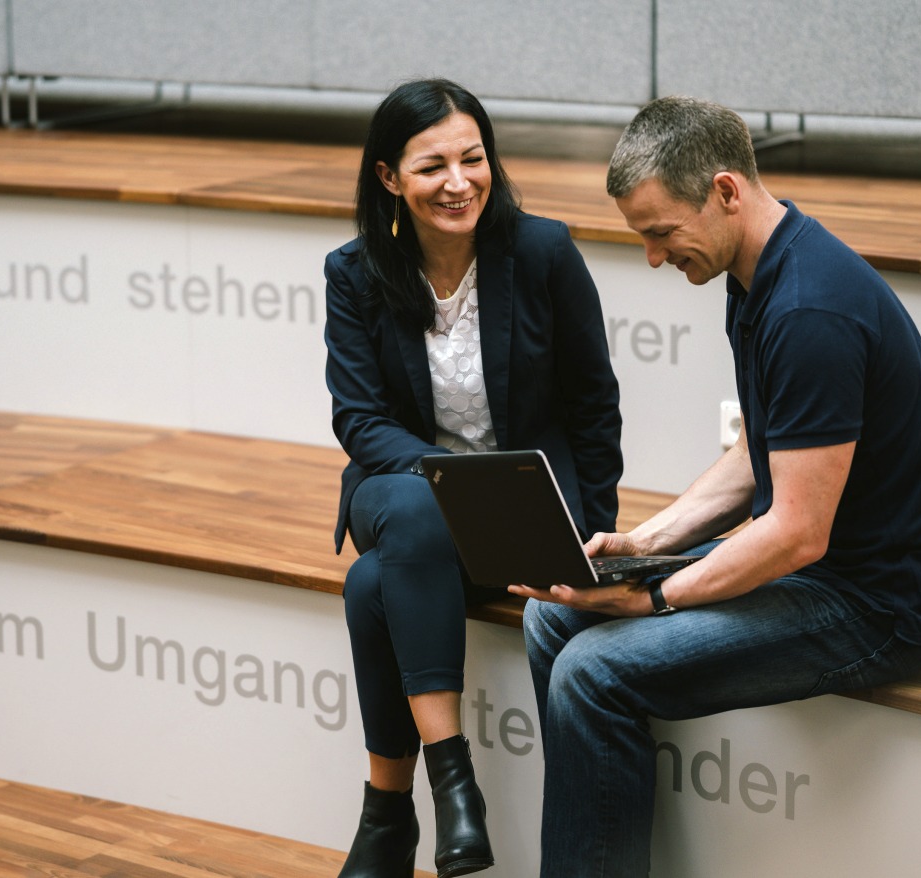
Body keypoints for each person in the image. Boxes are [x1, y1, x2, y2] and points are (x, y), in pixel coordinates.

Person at [508, 96, 921, 877]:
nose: (653, 258)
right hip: (817, 567)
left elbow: (796, 532)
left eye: (659, 233)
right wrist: (641, 545)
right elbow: (762, 451)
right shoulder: (753, 274)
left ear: (725, 191)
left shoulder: (808, 307)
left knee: (592, 670)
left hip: (875, 606)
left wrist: (653, 597)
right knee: (553, 621)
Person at [324, 78, 624, 878]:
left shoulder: (543, 253)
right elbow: (359, 420)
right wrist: (454, 476)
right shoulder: (353, 274)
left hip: (525, 508)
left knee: (369, 587)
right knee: (417, 509)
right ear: (389, 177)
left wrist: (589, 529)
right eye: (432, 167)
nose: (459, 183)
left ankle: (388, 818)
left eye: (473, 158)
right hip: (404, 488)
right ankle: (456, 782)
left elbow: (593, 404)